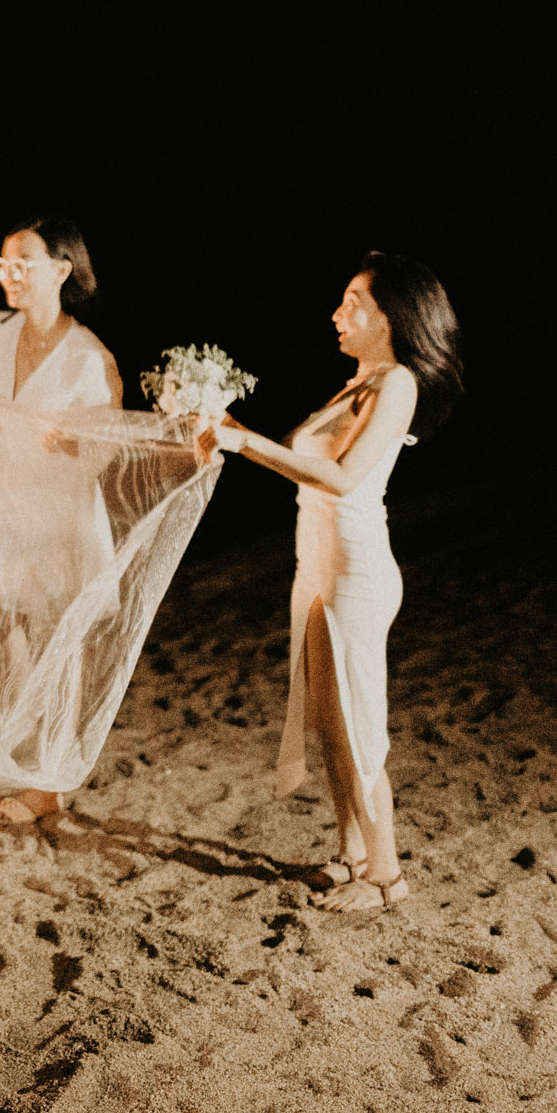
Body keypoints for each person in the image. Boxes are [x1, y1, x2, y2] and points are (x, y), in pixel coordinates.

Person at [201, 254, 463, 913]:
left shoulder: (397, 383)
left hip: (356, 572)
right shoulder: (355, 383)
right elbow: (301, 464)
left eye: (354, 302)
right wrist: (225, 426)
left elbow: (343, 479)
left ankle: (387, 875)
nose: (337, 314)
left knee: (357, 724)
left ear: (392, 316)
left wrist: (243, 444)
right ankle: (352, 854)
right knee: (326, 722)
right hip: (314, 567)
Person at [0, 217, 123, 828]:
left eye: (23, 262)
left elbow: (108, 448)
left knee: (57, 646)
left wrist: (71, 445)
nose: (10, 274)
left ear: (61, 270)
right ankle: (27, 754)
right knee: (3, 635)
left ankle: (48, 781)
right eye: (3, 263)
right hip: (0, 504)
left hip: (59, 513)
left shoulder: (89, 356)